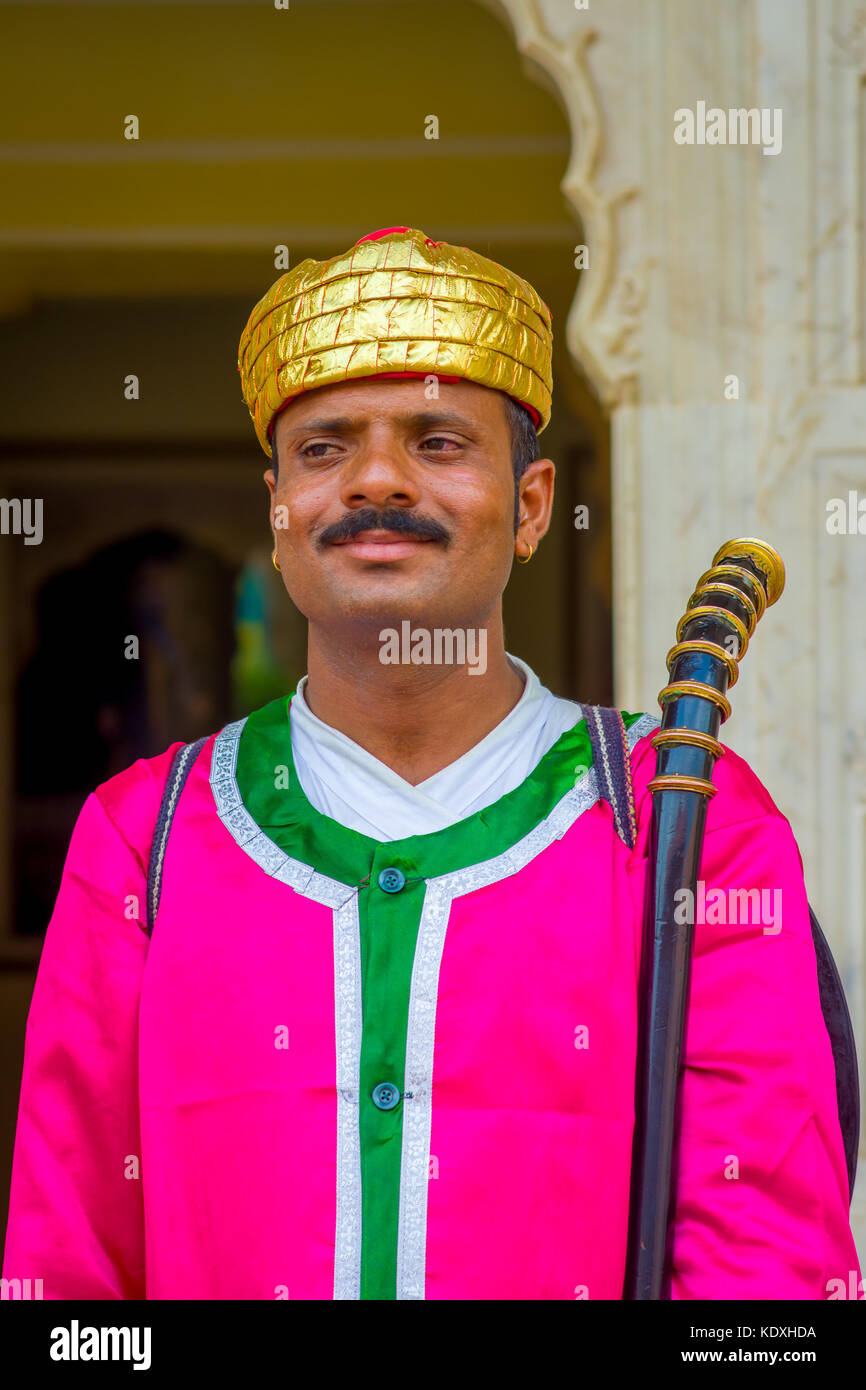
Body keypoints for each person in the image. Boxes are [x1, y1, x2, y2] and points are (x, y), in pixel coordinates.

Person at [2, 227, 860, 1300]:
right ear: (276, 514)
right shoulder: (147, 836)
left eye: (437, 440)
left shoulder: (685, 820)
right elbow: (67, 1265)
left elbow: (764, 1275)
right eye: (322, 447)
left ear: (533, 505)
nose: (374, 479)